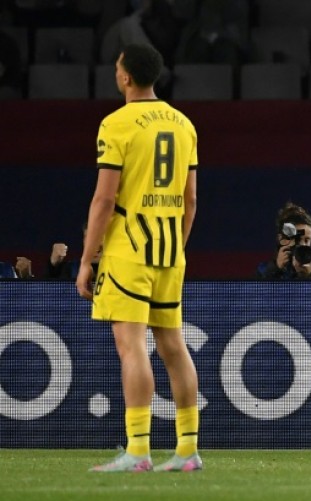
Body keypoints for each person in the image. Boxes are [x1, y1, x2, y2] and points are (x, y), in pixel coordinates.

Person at [76, 43, 202, 473]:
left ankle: (139, 450)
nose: (116, 72)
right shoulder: (184, 124)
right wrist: (177, 246)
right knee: (173, 345)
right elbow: (191, 200)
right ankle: (188, 450)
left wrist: (87, 259)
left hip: (129, 249)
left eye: (117, 67)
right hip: (170, 249)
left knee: (132, 347)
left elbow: (104, 199)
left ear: (126, 76)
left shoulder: (116, 124)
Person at [256, 202, 311, 280]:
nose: (303, 244)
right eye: (296, 239)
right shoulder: (263, 270)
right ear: (282, 239)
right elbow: (256, 294)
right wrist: (275, 270)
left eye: (307, 240)